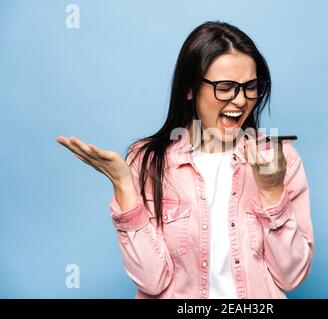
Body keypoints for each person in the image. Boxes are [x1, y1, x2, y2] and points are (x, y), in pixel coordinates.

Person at [56, 21, 314, 299]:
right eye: (225, 87)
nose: (240, 101)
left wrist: (272, 191)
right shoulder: (148, 162)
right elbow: (151, 281)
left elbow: (292, 277)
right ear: (189, 89)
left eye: (250, 86)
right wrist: (123, 184)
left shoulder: (280, 159)